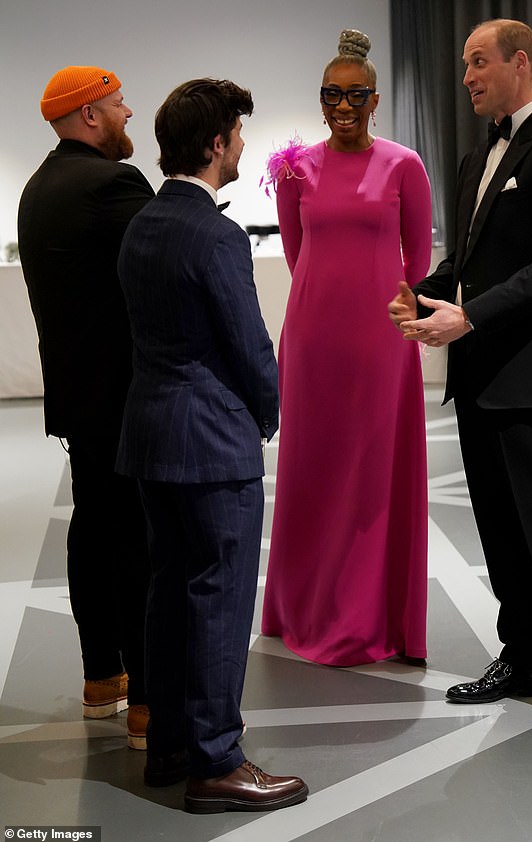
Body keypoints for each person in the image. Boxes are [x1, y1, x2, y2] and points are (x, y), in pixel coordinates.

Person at [389, 19, 532, 746]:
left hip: (527, 372)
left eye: (480, 62)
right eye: (465, 64)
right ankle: (524, 659)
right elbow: (473, 264)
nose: (469, 75)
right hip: (477, 374)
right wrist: (421, 294)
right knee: (498, 528)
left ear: (520, 63)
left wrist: (468, 317)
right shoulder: (478, 154)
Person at [115, 78, 308, 813]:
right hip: (212, 440)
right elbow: (250, 345)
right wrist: (268, 413)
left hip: (151, 436)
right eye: (237, 132)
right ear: (216, 142)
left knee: (169, 595)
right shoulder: (218, 235)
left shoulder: (142, 223)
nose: (243, 144)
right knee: (218, 601)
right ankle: (219, 761)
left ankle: (169, 744)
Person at [261, 29, 432, 667]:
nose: (342, 104)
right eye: (331, 93)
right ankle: (303, 604)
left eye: (354, 94)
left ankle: (367, 615)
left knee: (371, 475)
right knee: (312, 470)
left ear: (375, 98)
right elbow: (299, 253)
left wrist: (399, 309)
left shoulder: (404, 165)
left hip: (380, 340)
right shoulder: (295, 169)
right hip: (312, 339)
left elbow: (417, 259)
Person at [18, 66, 153, 749]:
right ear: (93, 116)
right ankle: (149, 706)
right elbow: (163, 269)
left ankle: (102, 677)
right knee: (139, 542)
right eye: (120, 104)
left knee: (92, 530)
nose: (130, 112)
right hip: (128, 399)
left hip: (78, 400)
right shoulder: (113, 184)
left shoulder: (37, 186)